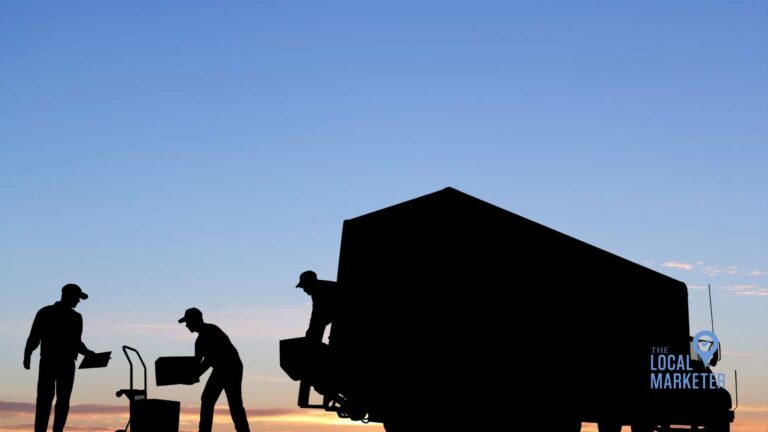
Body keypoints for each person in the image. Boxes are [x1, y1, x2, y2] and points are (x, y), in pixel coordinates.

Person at [24, 283, 96, 432]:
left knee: (59, 400)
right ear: (68, 296)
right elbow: (34, 337)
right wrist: (27, 354)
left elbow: (75, 342)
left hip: (62, 363)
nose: (78, 301)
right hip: (53, 362)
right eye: (77, 297)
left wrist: (88, 353)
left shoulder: (69, 316)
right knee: (48, 398)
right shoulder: (48, 313)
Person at [178, 307, 250, 432]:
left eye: (188, 322)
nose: (186, 326)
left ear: (195, 320)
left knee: (231, 403)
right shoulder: (199, 341)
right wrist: (188, 376)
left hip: (231, 367)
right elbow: (196, 363)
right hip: (222, 369)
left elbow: (209, 360)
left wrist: (194, 375)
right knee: (210, 399)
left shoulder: (211, 331)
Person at [295, 270, 339, 343]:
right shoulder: (320, 288)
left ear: (309, 283)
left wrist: (311, 337)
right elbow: (318, 316)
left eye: (304, 286)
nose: (304, 290)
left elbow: (318, 316)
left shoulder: (319, 291)